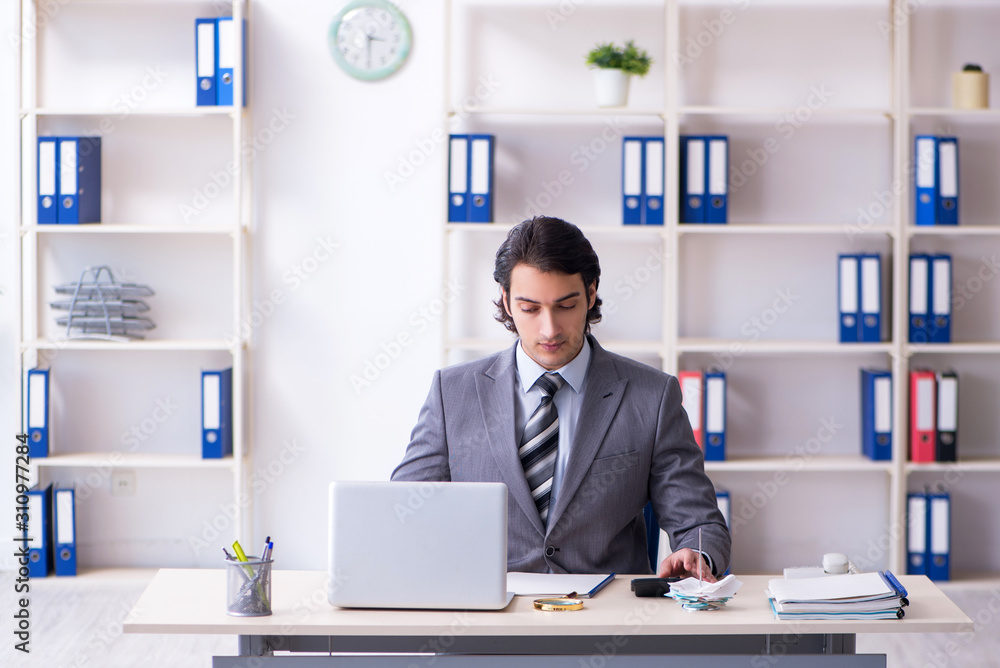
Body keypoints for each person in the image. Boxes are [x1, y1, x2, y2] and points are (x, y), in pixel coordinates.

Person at [392, 216, 730, 578]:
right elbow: (402, 511)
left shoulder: (652, 396)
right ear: (506, 301)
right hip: (487, 614)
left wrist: (696, 553)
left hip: (605, 616)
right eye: (530, 308)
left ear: (591, 292)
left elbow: (698, 519)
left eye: (566, 306)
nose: (549, 328)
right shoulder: (452, 393)